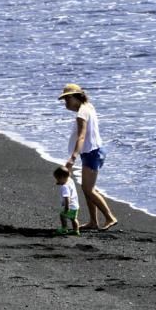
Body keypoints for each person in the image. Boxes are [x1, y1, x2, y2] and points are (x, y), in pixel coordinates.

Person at [58, 83, 118, 231]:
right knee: (87, 188)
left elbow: (82, 136)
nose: (66, 103)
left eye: (67, 99)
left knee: (88, 189)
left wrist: (73, 157)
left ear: (77, 97)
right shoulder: (88, 106)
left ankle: (110, 217)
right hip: (92, 152)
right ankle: (93, 221)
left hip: (93, 153)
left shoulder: (81, 113)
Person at [53, 166, 80, 236]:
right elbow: (66, 176)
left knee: (62, 215)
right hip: (75, 206)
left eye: (57, 179)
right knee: (73, 218)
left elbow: (67, 197)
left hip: (70, 206)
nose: (57, 181)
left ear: (61, 177)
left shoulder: (65, 186)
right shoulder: (70, 180)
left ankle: (64, 228)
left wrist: (66, 207)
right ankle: (76, 230)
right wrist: (60, 182)